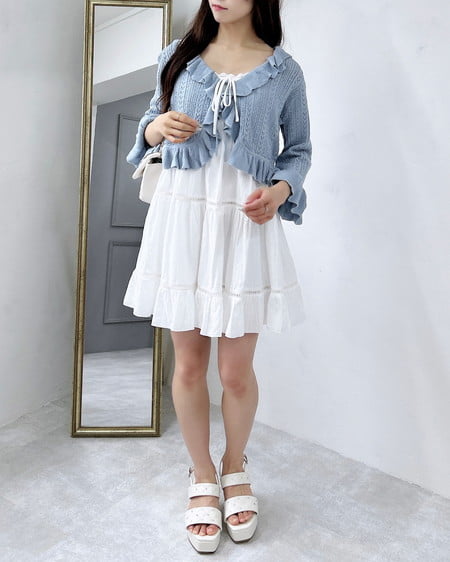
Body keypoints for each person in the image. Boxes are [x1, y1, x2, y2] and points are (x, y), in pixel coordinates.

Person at [123, 0, 312, 553]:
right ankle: (202, 473)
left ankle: (234, 466)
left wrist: (280, 190)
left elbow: (299, 151)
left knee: (234, 373)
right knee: (189, 364)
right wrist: (156, 127)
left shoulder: (284, 72)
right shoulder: (177, 57)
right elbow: (148, 127)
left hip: (243, 223)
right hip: (183, 220)